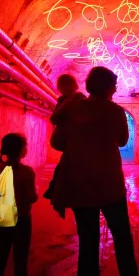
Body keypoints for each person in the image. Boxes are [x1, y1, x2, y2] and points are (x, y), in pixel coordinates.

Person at [53, 66, 139, 276]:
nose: (115, 90)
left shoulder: (71, 109)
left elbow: (57, 142)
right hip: (110, 186)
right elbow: (123, 141)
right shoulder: (115, 111)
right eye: (114, 85)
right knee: (123, 241)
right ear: (106, 87)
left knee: (88, 245)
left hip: (81, 187)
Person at [0, 133, 47, 276]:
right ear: (21, 150)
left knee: (0, 257)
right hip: (21, 219)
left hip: (2, 218)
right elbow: (31, 197)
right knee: (20, 260)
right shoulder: (26, 172)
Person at [44, 74, 85, 218]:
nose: (62, 90)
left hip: (74, 143)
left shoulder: (78, 100)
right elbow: (55, 118)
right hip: (70, 143)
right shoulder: (64, 100)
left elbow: (55, 118)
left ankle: (60, 201)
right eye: (62, 87)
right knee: (62, 172)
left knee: (65, 172)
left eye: (64, 86)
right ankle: (59, 200)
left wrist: (67, 102)